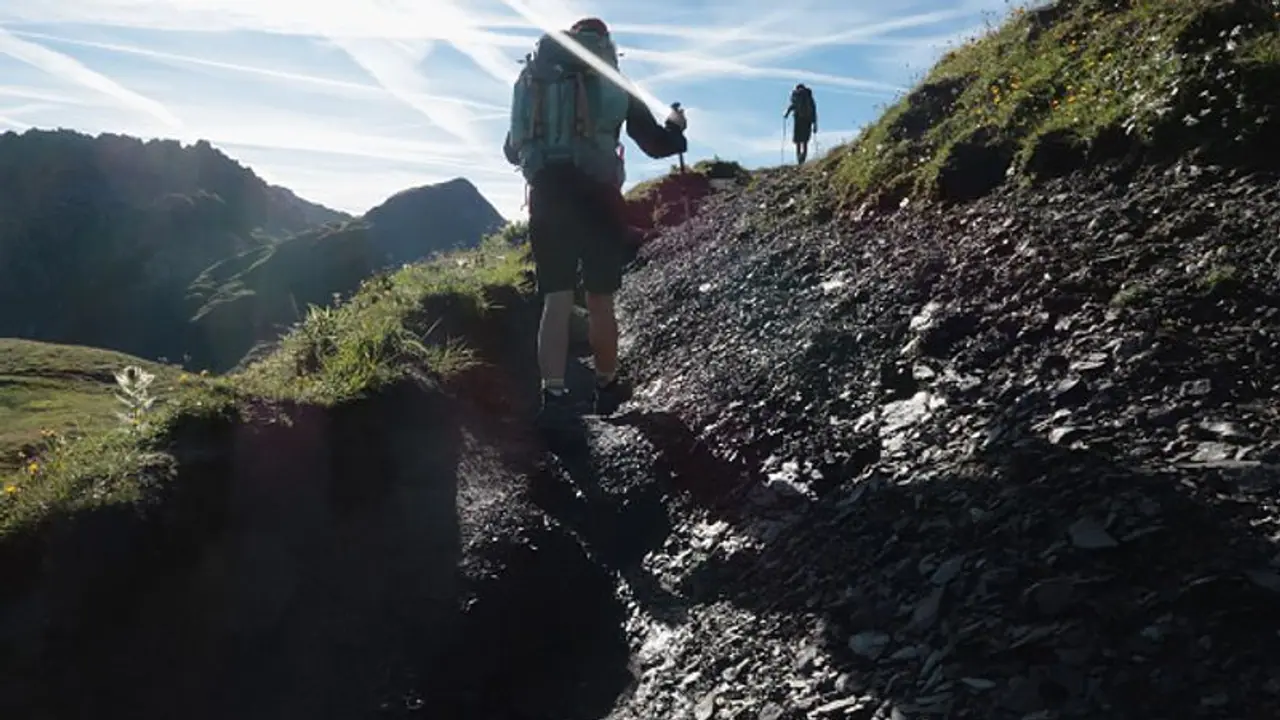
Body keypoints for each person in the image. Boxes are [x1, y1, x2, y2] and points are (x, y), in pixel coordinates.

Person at [503, 17, 688, 427]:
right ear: (604, 43)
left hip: (547, 196)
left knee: (556, 300)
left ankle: (553, 395)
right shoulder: (612, 79)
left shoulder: (535, 78)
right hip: (599, 198)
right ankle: (606, 387)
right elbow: (656, 144)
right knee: (601, 299)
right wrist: (677, 130)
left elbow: (512, 151)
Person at [784, 83, 818, 164]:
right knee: (805, 141)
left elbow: (792, 106)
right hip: (807, 121)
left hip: (798, 120)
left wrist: (786, 113)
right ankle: (803, 158)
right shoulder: (809, 97)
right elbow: (814, 111)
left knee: (798, 141)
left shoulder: (796, 95)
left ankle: (799, 160)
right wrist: (815, 124)